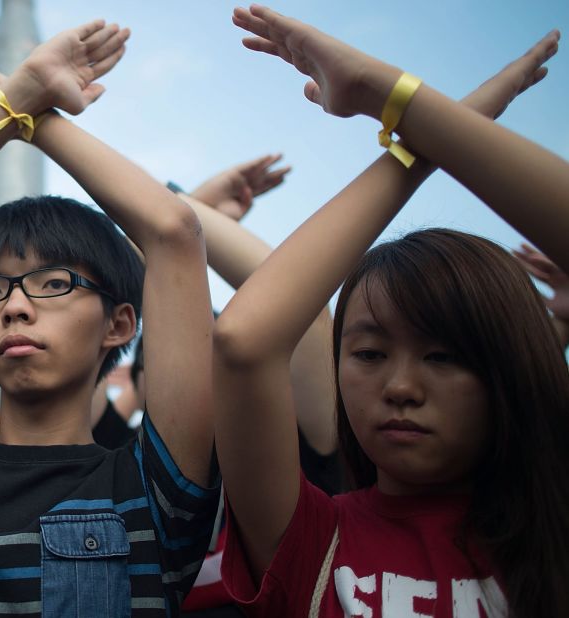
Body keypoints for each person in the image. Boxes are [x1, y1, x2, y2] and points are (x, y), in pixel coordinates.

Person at [0, 20, 220, 616]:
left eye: (55, 284)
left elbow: (175, 232)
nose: (16, 306)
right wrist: (18, 95)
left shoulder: (153, 487)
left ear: (120, 324)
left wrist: (35, 121)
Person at [214, 7, 567, 616]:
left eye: (444, 355)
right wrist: (419, 137)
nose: (400, 387)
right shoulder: (311, 538)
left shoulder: (556, 532)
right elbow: (244, 338)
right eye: (370, 353)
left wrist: (399, 101)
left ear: (512, 363)